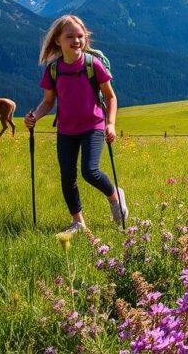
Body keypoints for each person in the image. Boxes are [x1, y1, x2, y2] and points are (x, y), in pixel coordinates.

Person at [24, 14, 128, 233]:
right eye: (70, 36)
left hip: (93, 126)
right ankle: (78, 222)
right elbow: (48, 102)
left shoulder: (93, 65)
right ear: (57, 40)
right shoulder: (53, 69)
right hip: (65, 130)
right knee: (67, 177)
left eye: (80, 36)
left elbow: (111, 97)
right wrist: (35, 115)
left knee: (90, 171)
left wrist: (110, 123)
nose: (77, 41)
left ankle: (115, 196)